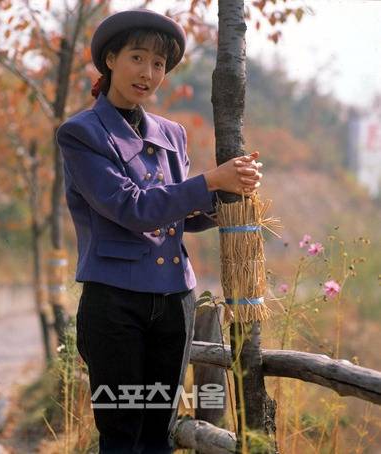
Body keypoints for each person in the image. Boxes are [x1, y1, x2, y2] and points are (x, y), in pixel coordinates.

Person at [56, 8, 263, 454]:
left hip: (173, 301)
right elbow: (131, 208)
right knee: (121, 434)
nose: (147, 73)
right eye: (137, 58)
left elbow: (177, 217)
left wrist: (229, 195)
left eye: (158, 64)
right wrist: (210, 181)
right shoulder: (81, 134)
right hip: (115, 303)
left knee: (158, 436)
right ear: (110, 59)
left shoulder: (172, 134)